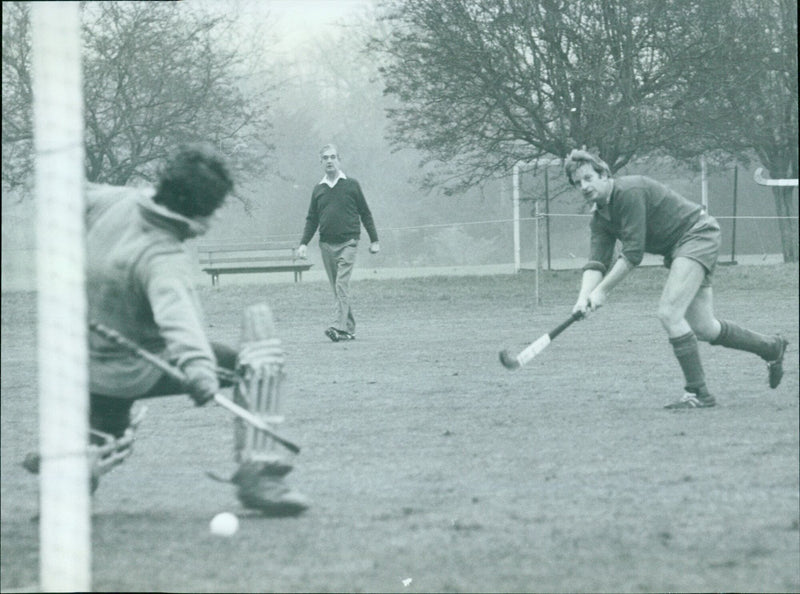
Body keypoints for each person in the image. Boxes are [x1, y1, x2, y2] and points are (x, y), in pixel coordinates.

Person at [25, 143, 307, 515]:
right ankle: (261, 475)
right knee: (255, 363)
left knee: (108, 436)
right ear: (197, 210)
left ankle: (72, 470)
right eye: (216, 210)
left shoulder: (114, 200)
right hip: (132, 370)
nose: (216, 219)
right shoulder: (162, 256)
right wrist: (200, 371)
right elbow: (181, 322)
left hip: (77, 366)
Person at [564, 149, 788, 409]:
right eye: (578, 183)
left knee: (669, 313)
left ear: (604, 174)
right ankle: (771, 348)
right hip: (680, 249)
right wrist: (582, 299)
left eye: (588, 178)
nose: (584, 186)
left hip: (697, 235)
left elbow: (633, 254)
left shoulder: (628, 192)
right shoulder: (600, 217)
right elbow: (596, 263)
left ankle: (698, 392)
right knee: (704, 327)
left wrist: (601, 292)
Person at [297, 144, 380, 342]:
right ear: (321, 162)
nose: (329, 160)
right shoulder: (319, 189)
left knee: (341, 285)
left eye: (333, 157)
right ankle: (348, 329)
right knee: (337, 288)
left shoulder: (351, 185)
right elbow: (312, 219)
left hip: (349, 242)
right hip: (326, 245)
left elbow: (365, 213)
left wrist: (374, 239)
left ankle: (337, 326)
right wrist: (303, 243)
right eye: (325, 158)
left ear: (339, 160)